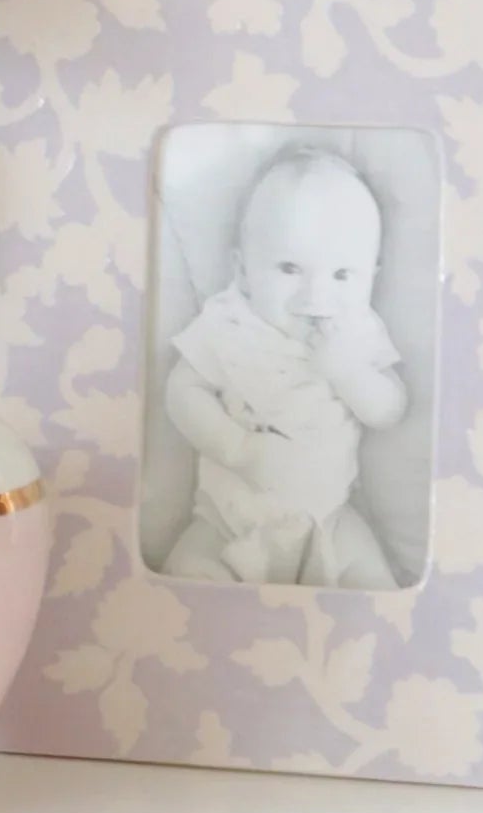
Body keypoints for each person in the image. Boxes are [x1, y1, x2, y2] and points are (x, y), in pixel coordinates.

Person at [160, 148, 406, 588]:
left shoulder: (357, 333)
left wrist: (349, 374)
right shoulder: (229, 320)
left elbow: (389, 410)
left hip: (329, 520)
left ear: (374, 275)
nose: (316, 296)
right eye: (290, 268)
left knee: (371, 580)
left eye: (343, 275)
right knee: (189, 572)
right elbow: (182, 389)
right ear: (243, 271)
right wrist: (236, 447)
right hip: (227, 523)